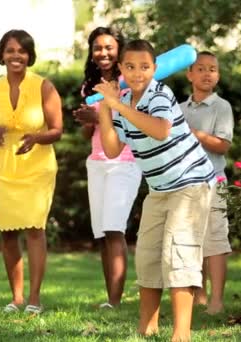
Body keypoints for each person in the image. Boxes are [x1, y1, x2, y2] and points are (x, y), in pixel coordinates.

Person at [93, 39, 215, 341]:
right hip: (159, 188)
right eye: (130, 67)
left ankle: (181, 334)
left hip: (191, 182)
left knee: (179, 252)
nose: (137, 73)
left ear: (155, 69)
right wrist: (107, 110)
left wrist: (118, 104)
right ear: (121, 69)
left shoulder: (160, 94)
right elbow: (111, 149)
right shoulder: (121, 103)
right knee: (147, 256)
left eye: (144, 67)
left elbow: (160, 130)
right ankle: (147, 329)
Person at [0, 29, 63, 315]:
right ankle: (16, 298)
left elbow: (57, 130)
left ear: (29, 56)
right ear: (2, 54)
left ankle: (34, 298)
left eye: (22, 51)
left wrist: (37, 137)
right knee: (8, 234)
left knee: (35, 230)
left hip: (37, 164)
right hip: (5, 166)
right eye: (10, 50)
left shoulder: (44, 87)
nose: (16, 56)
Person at [72, 27, 142, 309]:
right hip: (97, 163)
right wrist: (87, 120)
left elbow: (135, 122)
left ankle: (115, 302)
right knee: (102, 233)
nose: (103, 53)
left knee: (114, 230)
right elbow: (89, 135)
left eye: (109, 47)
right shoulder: (89, 87)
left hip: (124, 162)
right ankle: (110, 298)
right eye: (98, 48)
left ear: (119, 50)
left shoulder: (130, 83)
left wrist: (100, 115)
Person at [181, 51, 234, 315]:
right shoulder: (179, 110)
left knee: (215, 241)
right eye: (200, 69)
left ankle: (217, 300)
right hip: (185, 184)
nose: (207, 73)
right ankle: (198, 295)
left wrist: (193, 134)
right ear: (189, 74)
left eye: (212, 69)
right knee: (191, 241)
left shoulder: (221, 107)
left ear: (218, 75)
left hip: (213, 182)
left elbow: (223, 145)